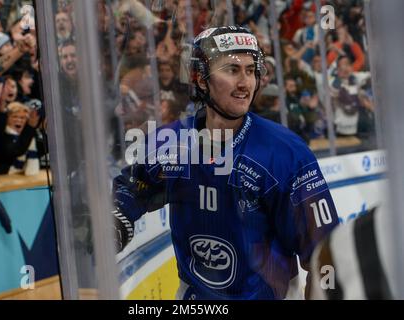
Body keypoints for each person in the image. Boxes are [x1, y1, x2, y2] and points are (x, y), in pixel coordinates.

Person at [113, 26, 339, 300]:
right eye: (232, 70)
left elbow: (325, 254)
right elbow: (132, 187)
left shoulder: (286, 154)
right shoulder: (170, 142)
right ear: (200, 78)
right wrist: (114, 216)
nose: (245, 83)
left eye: (250, 70)